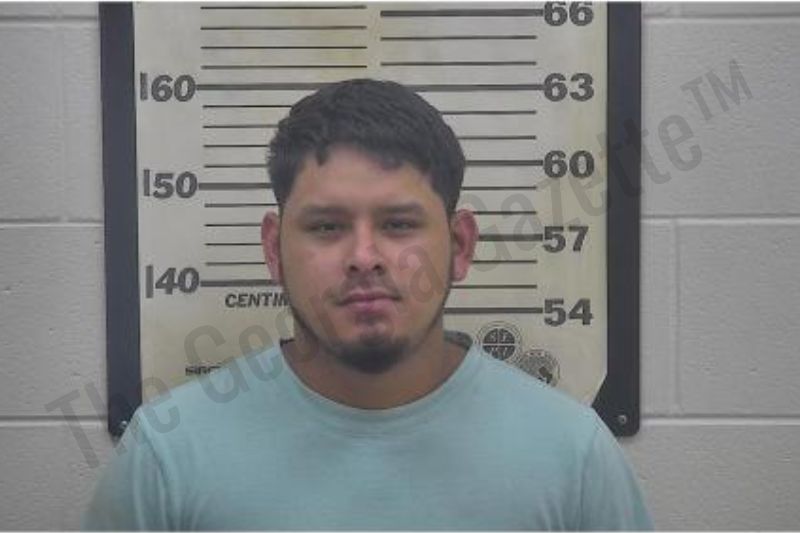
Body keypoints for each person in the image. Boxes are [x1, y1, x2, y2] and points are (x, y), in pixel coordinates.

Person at [82, 79, 652, 530]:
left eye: (398, 224)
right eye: (326, 226)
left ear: (459, 246)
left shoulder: (573, 456)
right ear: (274, 249)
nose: (364, 257)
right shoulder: (166, 455)